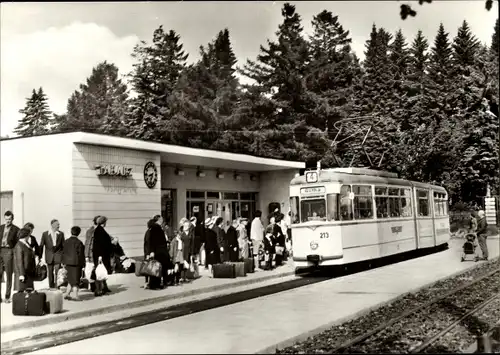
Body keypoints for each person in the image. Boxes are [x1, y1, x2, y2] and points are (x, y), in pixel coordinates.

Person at [145, 218, 172, 289]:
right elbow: (152, 242)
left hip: (159, 252)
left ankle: (156, 284)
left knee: (157, 268)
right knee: (157, 268)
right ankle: (155, 284)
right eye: (160, 220)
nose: (162, 221)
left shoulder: (156, 229)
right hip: (159, 252)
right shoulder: (155, 229)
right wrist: (152, 251)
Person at [0, 211, 20, 303]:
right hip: (0, 251)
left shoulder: (16, 229)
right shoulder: (0, 227)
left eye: (9, 219)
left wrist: (13, 252)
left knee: (8, 275)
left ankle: (7, 296)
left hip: (9, 252)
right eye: (6, 219)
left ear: (12, 219)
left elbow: (17, 244)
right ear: (4, 218)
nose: (8, 221)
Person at [40, 219, 65, 289]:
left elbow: (63, 246)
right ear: (52, 225)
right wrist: (39, 256)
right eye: (57, 224)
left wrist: (64, 257)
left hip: (58, 256)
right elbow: (41, 245)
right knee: (50, 272)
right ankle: (51, 286)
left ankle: (57, 285)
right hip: (49, 256)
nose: (59, 226)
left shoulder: (61, 234)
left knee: (57, 272)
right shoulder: (45, 234)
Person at [62, 226, 85, 301]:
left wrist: (63, 262)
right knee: (75, 280)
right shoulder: (79, 242)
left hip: (67, 263)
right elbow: (81, 254)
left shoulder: (66, 241)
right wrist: (83, 264)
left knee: (70, 279)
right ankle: (75, 295)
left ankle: (67, 294)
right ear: (78, 233)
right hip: (76, 263)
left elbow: (63, 252)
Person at [92, 216, 113, 294]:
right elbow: (99, 244)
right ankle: (98, 290)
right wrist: (100, 256)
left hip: (101, 255)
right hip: (100, 255)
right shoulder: (99, 230)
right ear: (103, 222)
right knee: (99, 272)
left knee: (102, 272)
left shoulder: (99, 230)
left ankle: (104, 287)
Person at [13, 228, 36, 292]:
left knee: (29, 293)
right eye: (29, 235)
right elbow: (19, 261)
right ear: (26, 235)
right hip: (23, 274)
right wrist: (21, 275)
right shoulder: (19, 245)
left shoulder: (26, 244)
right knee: (22, 294)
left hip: (28, 272)